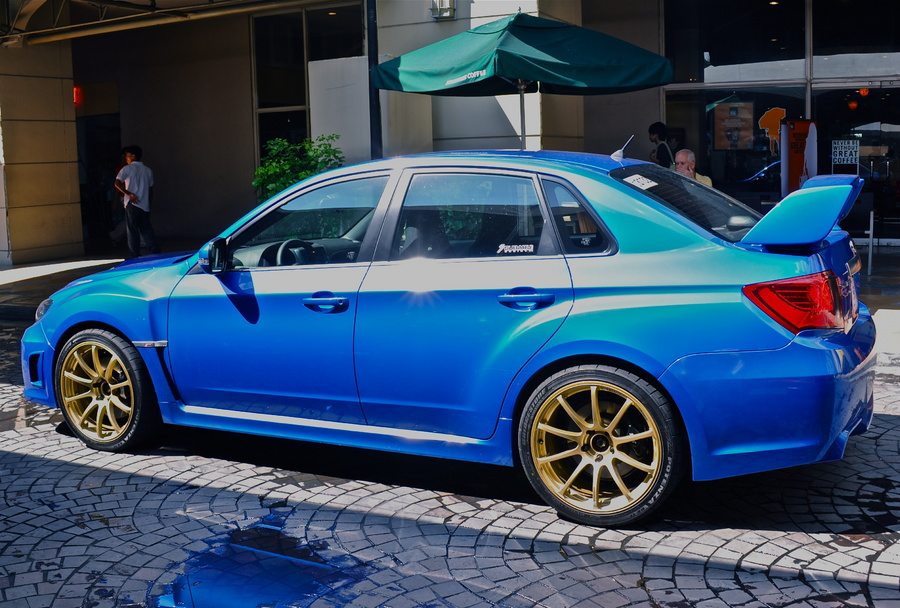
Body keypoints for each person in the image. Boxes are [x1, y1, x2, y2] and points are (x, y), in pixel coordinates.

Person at [115, 145, 160, 258]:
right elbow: (150, 190)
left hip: (132, 204)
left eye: (127, 156)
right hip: (144, 204)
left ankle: (134, 253)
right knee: (146, 228)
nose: (126, 158)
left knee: (132, 229)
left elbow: (117, 183)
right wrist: (149, 204)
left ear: (133, 156)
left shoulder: (126, 169)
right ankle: (154, 248)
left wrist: (128, 193)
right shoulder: (148, 170)